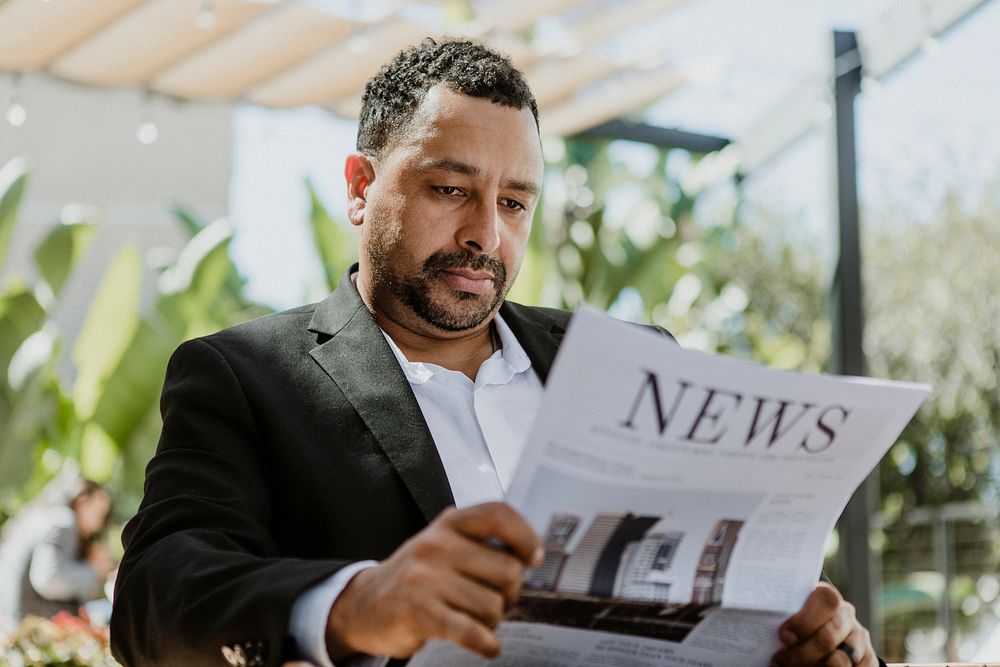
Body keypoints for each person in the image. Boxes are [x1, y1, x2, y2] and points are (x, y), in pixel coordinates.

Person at [110, 39, 880, 667]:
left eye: (514, 202)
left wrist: (812, 641)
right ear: (359, 187)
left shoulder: (634, 361)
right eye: (451, 189)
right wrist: (358, 602)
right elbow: (155, 598)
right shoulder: (246, 377)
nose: (486, 233)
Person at [0, 474, 113, 625]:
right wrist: (94, 571)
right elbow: (48, 579)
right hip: (25, 623)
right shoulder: (64, 521)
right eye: (99, 514)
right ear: (82, 501)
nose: (99, 525)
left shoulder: (45, 517)